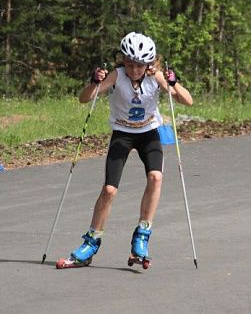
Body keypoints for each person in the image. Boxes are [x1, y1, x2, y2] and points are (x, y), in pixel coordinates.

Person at [56, 32, 194, 269]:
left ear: (148, 63)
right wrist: (94, 82)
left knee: (156, 176)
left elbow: (187, 101)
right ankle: (91, 242)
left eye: (139, 65)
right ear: (122, 60)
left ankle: (142, 234)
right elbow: (84, 99)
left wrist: (174, 83)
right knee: (109, 190)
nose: (133, 69)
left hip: (149, 133)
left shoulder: (156, 76)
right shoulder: (116, 75)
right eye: (129, 63)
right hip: (122, 134)